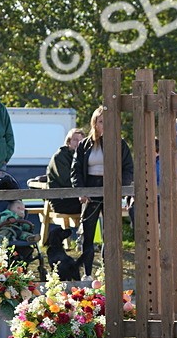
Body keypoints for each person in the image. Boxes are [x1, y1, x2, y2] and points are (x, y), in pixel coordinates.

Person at [71, 106, 135, 277]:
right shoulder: (85, 145)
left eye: (108, 121)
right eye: (101, 121)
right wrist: (80, 191)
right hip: (90, 189)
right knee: (88, 234)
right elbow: (76, 170)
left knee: (111, 233)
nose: (104, 125)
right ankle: (88, 273)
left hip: (111, 189)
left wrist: (121, 188)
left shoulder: (119, 143)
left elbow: (128, 168)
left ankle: (110, 273)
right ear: (95, 124)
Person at [44, 127, 85, 274]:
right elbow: (68, 181)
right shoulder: (60, 157)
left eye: (81, 140)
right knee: (92, 203)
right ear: (68, 141)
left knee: (96, 203)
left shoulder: (83, 155)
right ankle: (84, 240)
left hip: (78, 197)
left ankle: (88, 241)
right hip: (62, 200)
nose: (77, 143)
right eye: (75, 140)